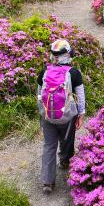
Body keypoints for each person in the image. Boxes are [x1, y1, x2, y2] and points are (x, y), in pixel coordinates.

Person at [37, 38, 86, 194]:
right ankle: (65, 161)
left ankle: (47, 182)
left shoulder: (44, 71)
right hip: (67, 116)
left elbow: (39, 93)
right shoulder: (74, 72)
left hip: (47, 115)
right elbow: (80, 95)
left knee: (49, 146)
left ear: (52, 55)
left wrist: (43, 113)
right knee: (66, 140)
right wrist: (81, 114)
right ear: (69, 54)